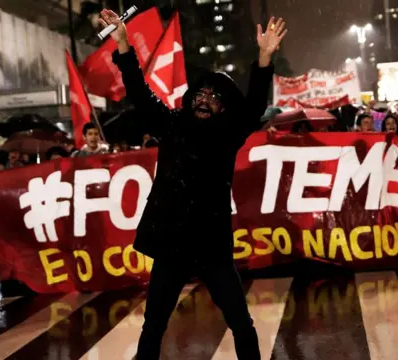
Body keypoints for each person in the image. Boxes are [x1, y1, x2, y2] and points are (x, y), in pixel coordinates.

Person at [100, 8, 286, 360]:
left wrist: (264, 58)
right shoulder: (171, 125)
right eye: (200, 94)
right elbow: (139, 94)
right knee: (153, 324)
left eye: (215, 98)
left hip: (212, 246)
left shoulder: (229, 134)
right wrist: (124, 45)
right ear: (190, 100)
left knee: (241, 323)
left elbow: (254, 107)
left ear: (224, 109)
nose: (205, 99)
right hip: (171, 244)